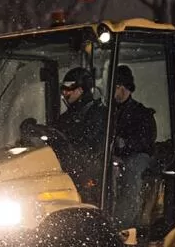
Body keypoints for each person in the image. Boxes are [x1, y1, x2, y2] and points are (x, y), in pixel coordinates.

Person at [47, 66, 106, 201]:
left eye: (69, 89)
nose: (65, 93)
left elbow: (92, 144)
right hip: (70, 164)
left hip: (89, 167)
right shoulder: (68, 116)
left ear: (80, 90)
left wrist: (70, 147)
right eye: (63, 89)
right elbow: (56, 134)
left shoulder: (97, 113)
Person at [112, 64, 157, 227]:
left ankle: (125, 222)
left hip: (137, 156)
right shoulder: (107, 112)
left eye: (115, 87)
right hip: (115, 155)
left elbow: (146, 141)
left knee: (131, 170)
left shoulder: (142, 114)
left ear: (124, 88)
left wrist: (125, 144)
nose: (112, 92)